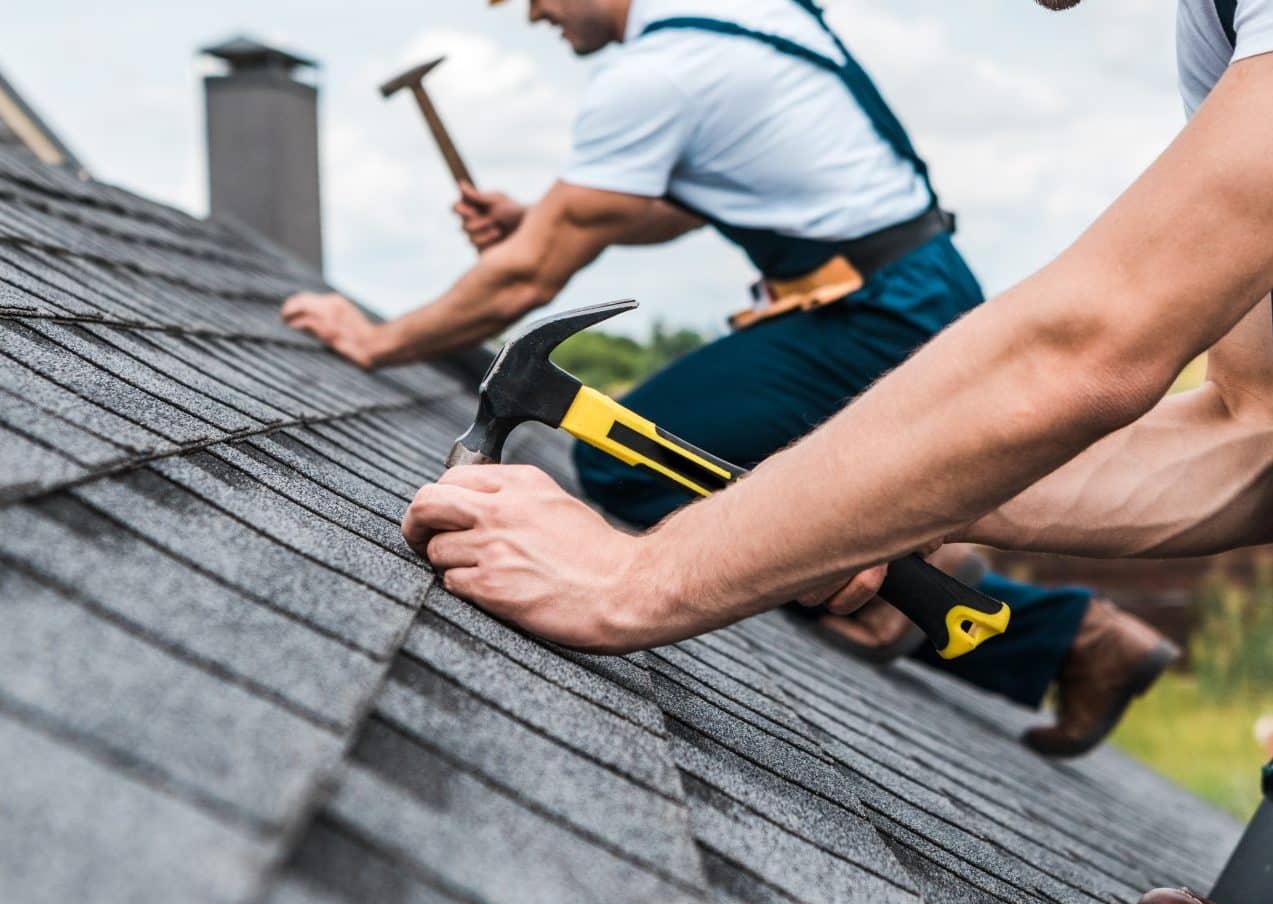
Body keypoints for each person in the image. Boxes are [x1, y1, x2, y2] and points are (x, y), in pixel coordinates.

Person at [401, 0, 1273, 904]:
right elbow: (1249, 431)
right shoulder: (1221, 25)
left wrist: (638, 575)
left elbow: (1087, 346)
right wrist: (879, 506)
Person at [282, 0, 1175, 759]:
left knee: (630, 469)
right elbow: (669, 208)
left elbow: (524, 280)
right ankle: (937, 584)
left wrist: (375, 339)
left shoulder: (656, 73)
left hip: (871, 315)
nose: (529, 12)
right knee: (700, 470)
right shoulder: (745, 12)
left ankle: (1027, 620)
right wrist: (539, 214)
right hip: (905, 289)